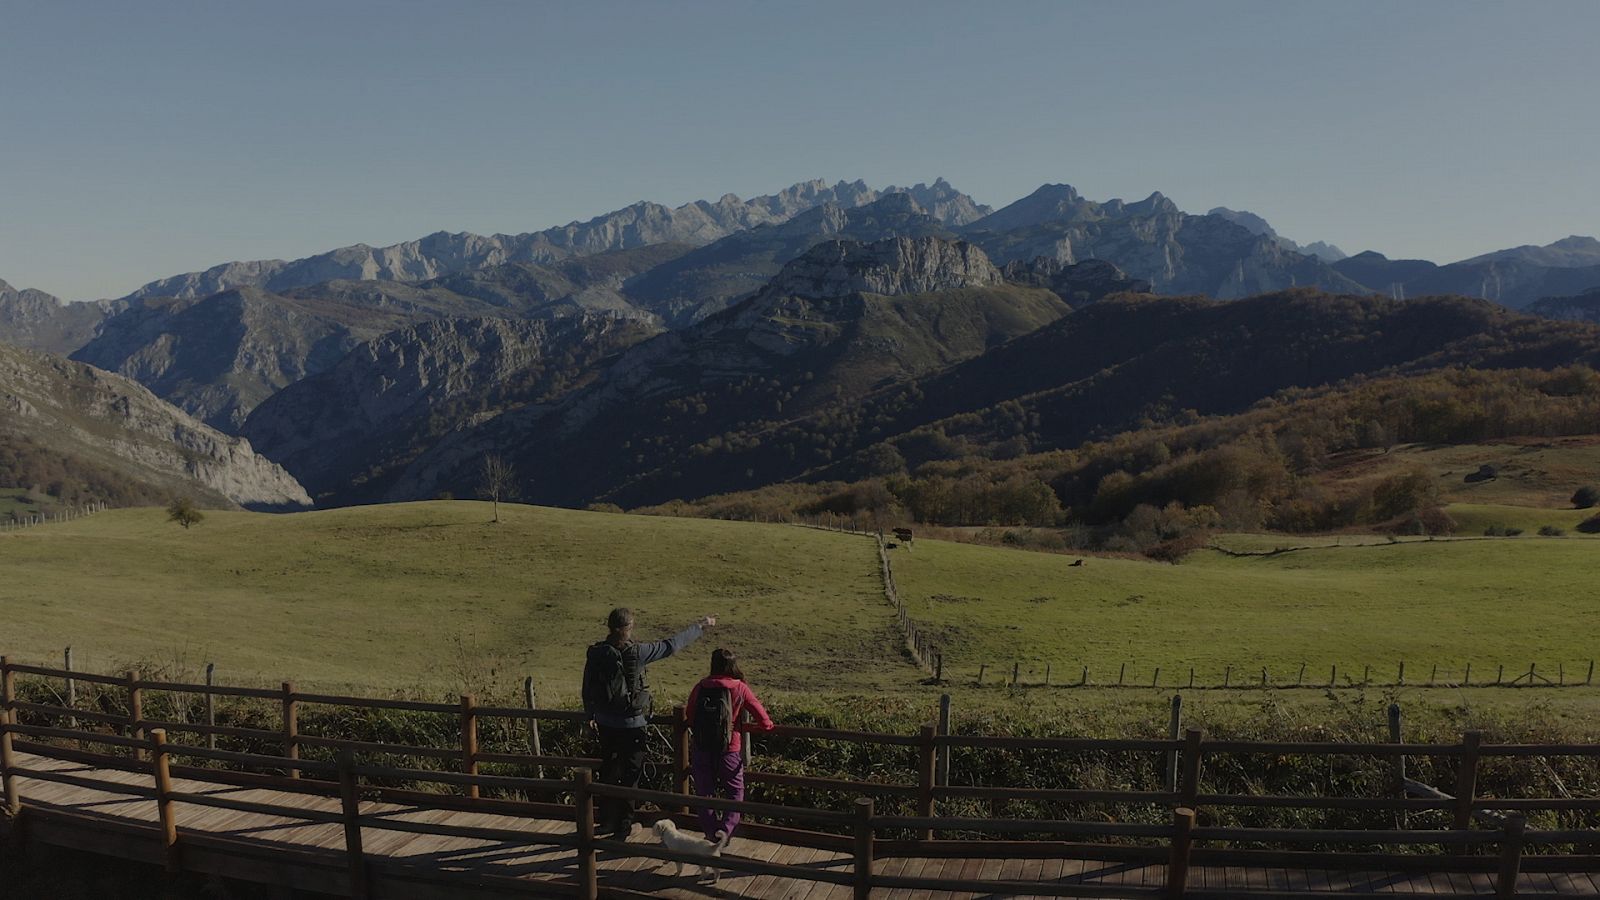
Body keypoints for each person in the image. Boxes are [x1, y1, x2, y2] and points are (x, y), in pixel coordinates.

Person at [582, 607, 714, 839]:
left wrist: (589, 716)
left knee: (609, 771)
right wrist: (700, 626)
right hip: (633, 724)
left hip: (604, 722)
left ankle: (606, 822)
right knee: (631, 775)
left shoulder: (596, 652)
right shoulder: (639, 652)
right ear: (627, 628)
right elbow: (671, 645)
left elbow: (587, 688)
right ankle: (624, 826)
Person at [686, 648, 774, 842]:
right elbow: (764, 720)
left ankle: (710, 834)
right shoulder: (739, 687)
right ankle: (725, 831)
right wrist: (765, 727)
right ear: (733, 666)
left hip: (702, 747)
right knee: (735, 792)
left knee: (704, 793)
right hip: (729, 749)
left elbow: (690, 716)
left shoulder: (700, 686)